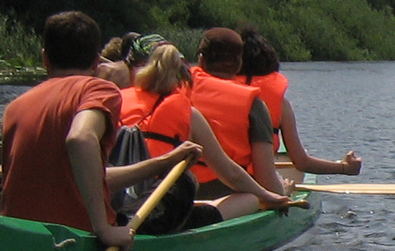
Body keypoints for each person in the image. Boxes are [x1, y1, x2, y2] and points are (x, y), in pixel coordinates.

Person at [0, 11, 200, 250]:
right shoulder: (98, 90)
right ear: (96, 61)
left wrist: (166, 161)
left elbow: (90, 177)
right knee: (185, 182)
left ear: (45, 59)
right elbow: (80, 138)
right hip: (77, 238)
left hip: (20, 237)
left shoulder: (14, 107)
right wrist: (103, 229)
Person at [121, 43, 291, 225]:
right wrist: (270, 195)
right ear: (185, 80)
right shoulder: (189, 114)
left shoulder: (119, 101)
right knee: (250, 198)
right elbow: (230, 174)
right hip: (157, 214)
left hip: (115, 204)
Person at [238, 27, 362, 176]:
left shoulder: (214, 96)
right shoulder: (281, 105)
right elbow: (301, 162)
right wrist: (344, 168)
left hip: (216, 181)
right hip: (257, 183)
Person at [189, 28, 289, 197]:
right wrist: (284, 192)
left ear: (201, 60)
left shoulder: (175, 90)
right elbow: (266, 180)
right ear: (239, 63)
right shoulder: (253, 104)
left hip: (180, 189)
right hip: (230, 194)